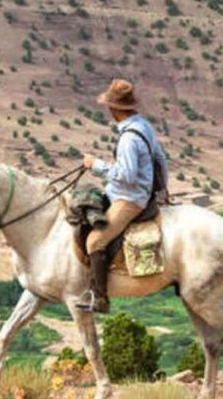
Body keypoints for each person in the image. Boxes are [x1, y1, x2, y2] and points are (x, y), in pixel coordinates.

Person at [76, 78, 169, 313]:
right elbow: (161, 158)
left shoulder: (129, 138)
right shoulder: (143, 125)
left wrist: (95, 164)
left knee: (95, 241)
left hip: (130, 199)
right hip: (130, 192)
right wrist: (162, 189)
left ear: (114, 108)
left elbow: (127, 175)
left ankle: (100, 298)